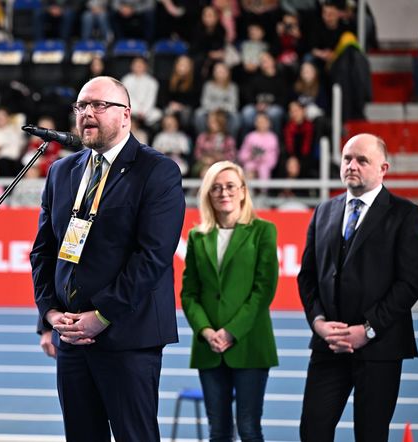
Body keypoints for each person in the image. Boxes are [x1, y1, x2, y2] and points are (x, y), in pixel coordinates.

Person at [29, 76, 186, 441]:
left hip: (127, 335)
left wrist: (101, 315)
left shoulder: (157, 170)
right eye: (81, 106)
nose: (87, 113)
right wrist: (50, 313)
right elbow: (44, 251)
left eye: (99, 105)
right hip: (71, 335)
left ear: (126, 115)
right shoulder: (61, 171)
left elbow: (153, 256)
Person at [297, 133, 418, 442]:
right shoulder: (323, 212)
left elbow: (410, 283)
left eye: (362, 160)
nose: (352, 165)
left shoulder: (406, 215)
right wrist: (318, 323)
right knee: (312, 432)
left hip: (379, 347)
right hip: (329, 347)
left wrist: (367, 329)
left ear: (383, 168)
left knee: (371, 436)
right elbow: (308, 276)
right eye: (347, 159)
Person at [181, 160, 279, 442]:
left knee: (249, 429)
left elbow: (264, 290)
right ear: (208, 194)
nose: (224, 192)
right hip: (209, 348)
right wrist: (206, 331)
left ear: (243, 191)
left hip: (250, 344)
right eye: (216, 188)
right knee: (218, 431)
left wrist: (231, 331)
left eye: (230, 186)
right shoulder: (198, 237)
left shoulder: (263, 231)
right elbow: (189, 293)